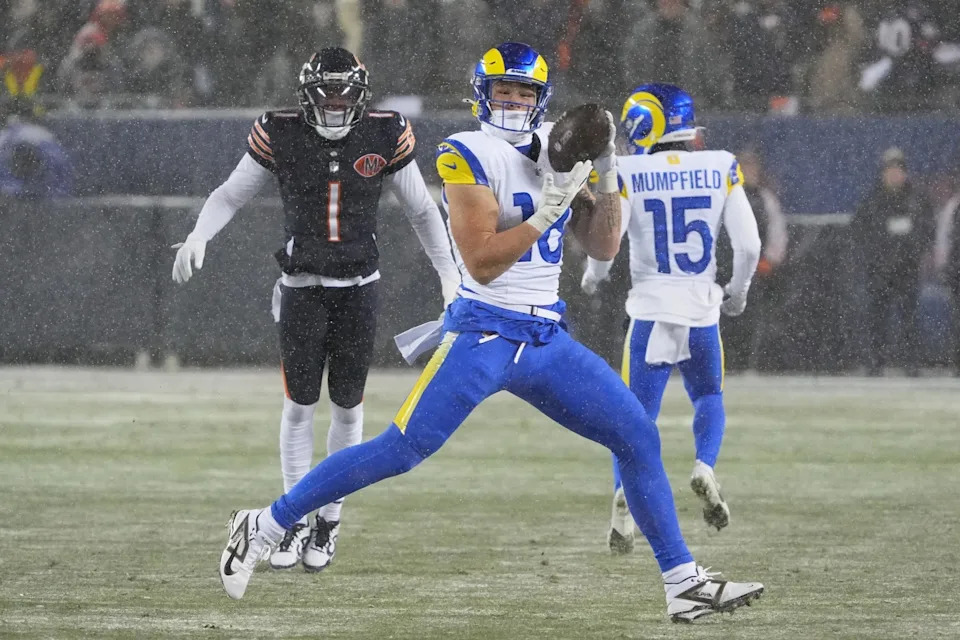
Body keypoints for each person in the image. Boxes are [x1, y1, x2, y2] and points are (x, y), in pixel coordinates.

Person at [216, 42, 764, 623]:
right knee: (402, 449)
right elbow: (480, 262)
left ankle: (683, 584)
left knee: (636, 435)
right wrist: (543, 216)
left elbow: (604, 245)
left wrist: (604, 172)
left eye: (524, 92)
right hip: (485, 333)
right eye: (504, 90)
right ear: (482, 94)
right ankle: (265, 523)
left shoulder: (558, 144)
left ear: (541, 99)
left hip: (544, 337)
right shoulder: (466, 152)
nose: (513, 101)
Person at [172, 47, 460, 572]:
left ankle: (329, 518)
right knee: (299, 405)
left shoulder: (385, 132)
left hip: (358, 288)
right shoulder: (279, 131)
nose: (334, 104)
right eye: (325, 95)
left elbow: (422, 210)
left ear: (359, 97)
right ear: (307, 97)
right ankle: (293, 518)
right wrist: (199, 234)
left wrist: (449, 274)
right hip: (301, 287)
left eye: (343, 96)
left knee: (348, 407)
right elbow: (230, 195)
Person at [580, 84, 761, 552]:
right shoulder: (720, 165)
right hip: (701, 309)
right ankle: (704, 465)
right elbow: (749, 246)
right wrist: (736, 293)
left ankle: (623, 502)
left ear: (645, 124)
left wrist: (593, 278)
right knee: (708, 397)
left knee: (633, 419)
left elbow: (608, 243)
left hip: (650, 310)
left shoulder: (629, 171)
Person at [849, 146, 935, 376]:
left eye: (898, 169)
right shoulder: (872, 201)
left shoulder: (917, 200)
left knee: (909, 318)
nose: (894, 174)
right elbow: (859, 232)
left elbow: (927, 229)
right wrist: (875, 255)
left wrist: (913, 252)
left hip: (907, 269)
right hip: (878, 271)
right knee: (877, 318)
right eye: (890, 169)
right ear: (882, 173)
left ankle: (911, 364)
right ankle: (875, 364)